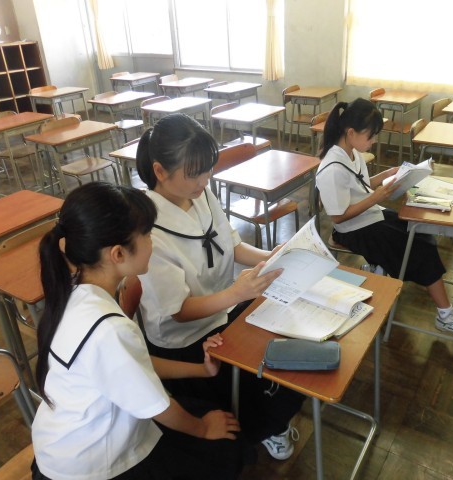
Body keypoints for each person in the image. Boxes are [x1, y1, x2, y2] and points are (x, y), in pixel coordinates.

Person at [32, 182, 243, 480]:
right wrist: (204, 428)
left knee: (207, 416)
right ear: (118, 254)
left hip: (65, 446)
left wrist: (202, 370)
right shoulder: (109, 328)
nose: (152, 242)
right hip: (90, 466)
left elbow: (133, 365)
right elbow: (158, 407)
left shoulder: (74, 292)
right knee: (225, 448)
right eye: (147, 234)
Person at [136, 114, 305, 461]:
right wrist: (236, 294)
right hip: (186, 340)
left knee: (289, 350)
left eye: (207, 170)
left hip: (222, 313)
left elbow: (232, 245)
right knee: (259, 383)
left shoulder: (201, 194)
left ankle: (271, 420)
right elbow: (178, 312)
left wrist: (272, 257)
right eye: (194, 173)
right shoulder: (147, 231)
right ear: (160, 171)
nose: (204, 181)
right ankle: (267, 430)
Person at [315, 98, 453, 336]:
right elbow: (338, 217)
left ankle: (382, 267)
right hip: (353, 230)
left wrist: (391, 174)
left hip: (369, 215)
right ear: (351, 132)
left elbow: (361, 185)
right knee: (420, 249)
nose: (374, 141)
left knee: (421, 232)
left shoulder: (351, 152)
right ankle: (445, 316)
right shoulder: (332, 168)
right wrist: (377, 196)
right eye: (371, 136)